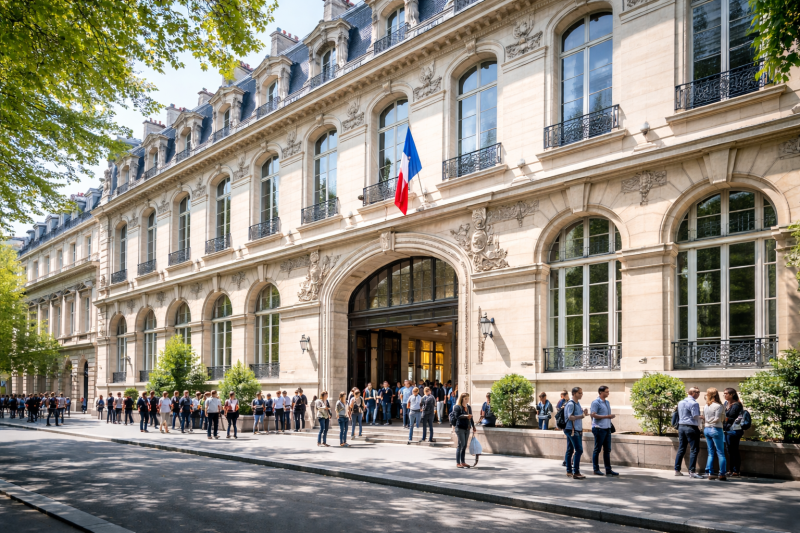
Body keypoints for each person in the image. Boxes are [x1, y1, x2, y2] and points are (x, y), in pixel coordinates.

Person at [674, 386, 705, 479]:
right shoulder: (694, 403)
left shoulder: (681, 402)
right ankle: (692, 471)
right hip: (691, 427)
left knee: (681, 448)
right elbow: (695, 416)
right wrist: (702, 417)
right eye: (698, 392)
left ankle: (677, 470)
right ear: (694, 393)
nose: (699, 394)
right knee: (694, 449)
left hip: (681, 427)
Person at [590, 385, 619, 476]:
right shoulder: (595, 402)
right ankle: (596, 469)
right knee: (597, 449)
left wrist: (609, 418)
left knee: (607, 450)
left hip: (607, 429)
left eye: (608, 391)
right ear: (601, 392)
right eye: (606, 392)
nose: (608, 393)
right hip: (599, 429)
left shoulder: (607, 402)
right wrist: (607, 416)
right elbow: (593, 415)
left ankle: (608, 470)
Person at [564, 387, 588, 479]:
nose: (581, 395)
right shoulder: (571, 404)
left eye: (581, 393)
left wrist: (584, 413)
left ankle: (569, 471)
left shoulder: (577, 403)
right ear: (574, 393)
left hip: (575, 429)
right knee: (579, 450)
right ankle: (576, 472)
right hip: (572, 430)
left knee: (570, 450)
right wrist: (582, 416)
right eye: (579, 393)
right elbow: (570, 417)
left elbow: (577, 414)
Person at [703, 387, 727, 481]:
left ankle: (710, 472)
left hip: (707, 429)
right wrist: (711, 421)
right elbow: (717, 418)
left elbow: (705, 417)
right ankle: (722, 474)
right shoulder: (719, 406)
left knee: (711, 452)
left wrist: (708, 421)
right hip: (716, 429)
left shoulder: (706, 406)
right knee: (721, 453)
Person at [723, 387, 744, 477]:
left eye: (726, 393)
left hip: (734, 430)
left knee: (734, 450)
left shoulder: (736, 405)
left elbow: (730, 417)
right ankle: (731, 469)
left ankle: (736, 470)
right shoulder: (726, 403)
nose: (724, 395)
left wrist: (725, 418)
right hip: (727, 429)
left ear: (732, 395)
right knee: (729, 450)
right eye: (724, 393)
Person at [453, 392, 476, 468]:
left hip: (467, 428)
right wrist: (466, 416)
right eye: (466, 398)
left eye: (468, 398)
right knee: (461, 444)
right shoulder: (457, 407)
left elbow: (471, 417)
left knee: (465, 445)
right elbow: (457, 416)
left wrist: (473, 426)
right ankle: (458, 462)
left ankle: (463, 462)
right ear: (462, 399)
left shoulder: (468, 407)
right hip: (460, 428)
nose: (467, 400)